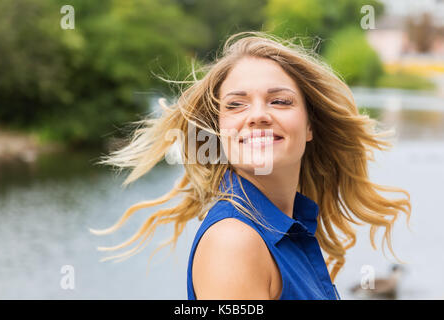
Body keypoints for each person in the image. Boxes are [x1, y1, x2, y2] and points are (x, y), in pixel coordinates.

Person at [90, 31, 411, 300]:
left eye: (280, 101)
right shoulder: (234, 242)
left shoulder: (285, 227)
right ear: (219, 130)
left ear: (311, 125)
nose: (257, 115)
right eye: (236, 104)